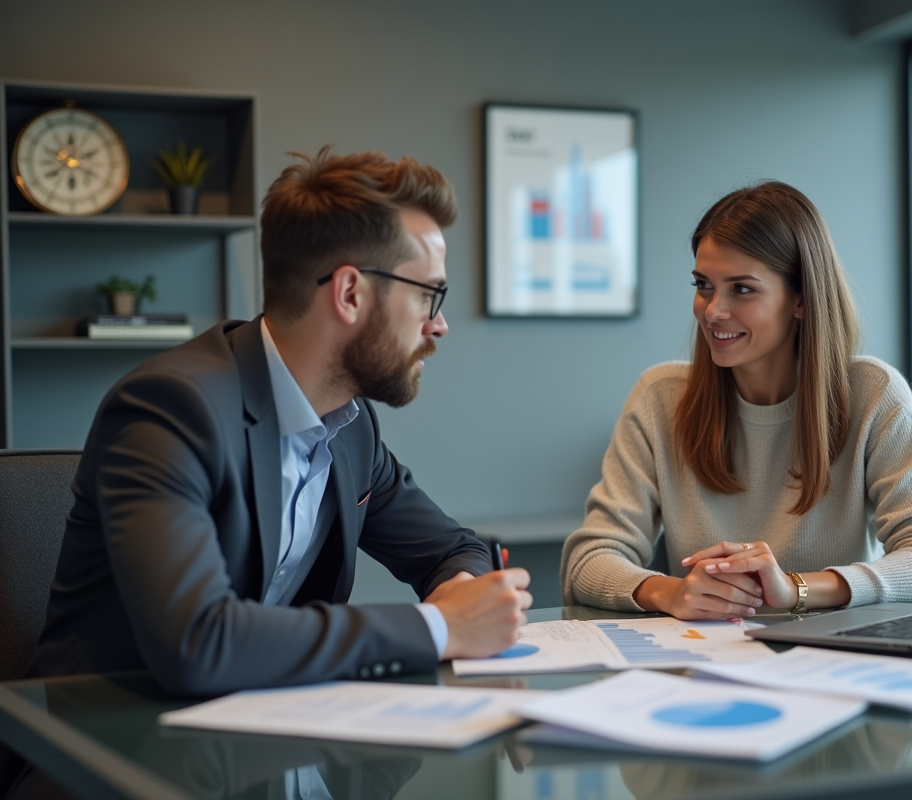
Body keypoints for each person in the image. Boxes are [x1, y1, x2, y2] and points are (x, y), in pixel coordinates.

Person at [23, 148, 532, 696]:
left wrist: (464, 594)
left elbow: (452, 546)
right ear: (350, 293)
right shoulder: (170, 408)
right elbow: (197, 643)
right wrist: (440, 628)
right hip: (107, 746)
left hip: (266, 736)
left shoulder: (351, 425)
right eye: (430, 295)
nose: (440, 326)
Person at [561, 181, 912, 619]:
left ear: (802, 299)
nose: (713, 311)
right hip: (707, 660)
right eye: (704, 285)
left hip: (829, 663)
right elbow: (588, 560)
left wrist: (795, 590)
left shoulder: (873, 394)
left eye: (742, 289)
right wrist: (670, 593)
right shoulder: (660, 398)